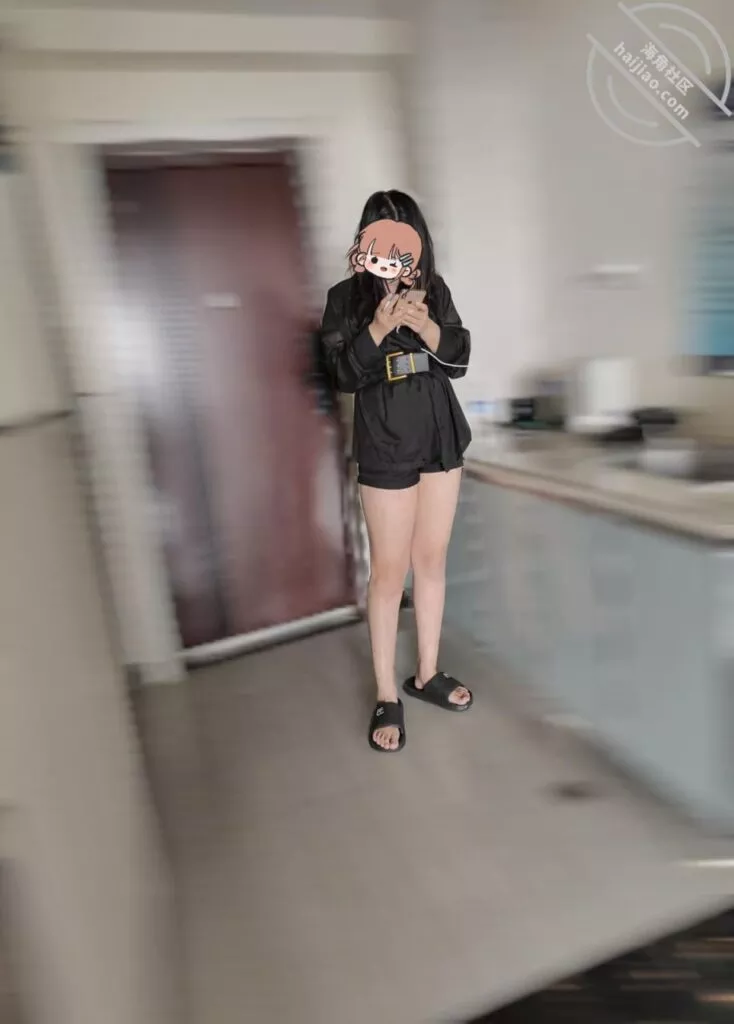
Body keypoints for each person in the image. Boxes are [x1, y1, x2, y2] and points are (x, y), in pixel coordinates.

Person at [319, 190, 474, 753]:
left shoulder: (435, 289)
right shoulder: (345, 299)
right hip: (384, 434)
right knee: (389, 572)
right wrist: (377, 331)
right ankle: (387, 693)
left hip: (438, 428)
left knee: (431, 560)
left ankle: (427, 673)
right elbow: (341, 374)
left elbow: (458, 359)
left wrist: (429, 328)